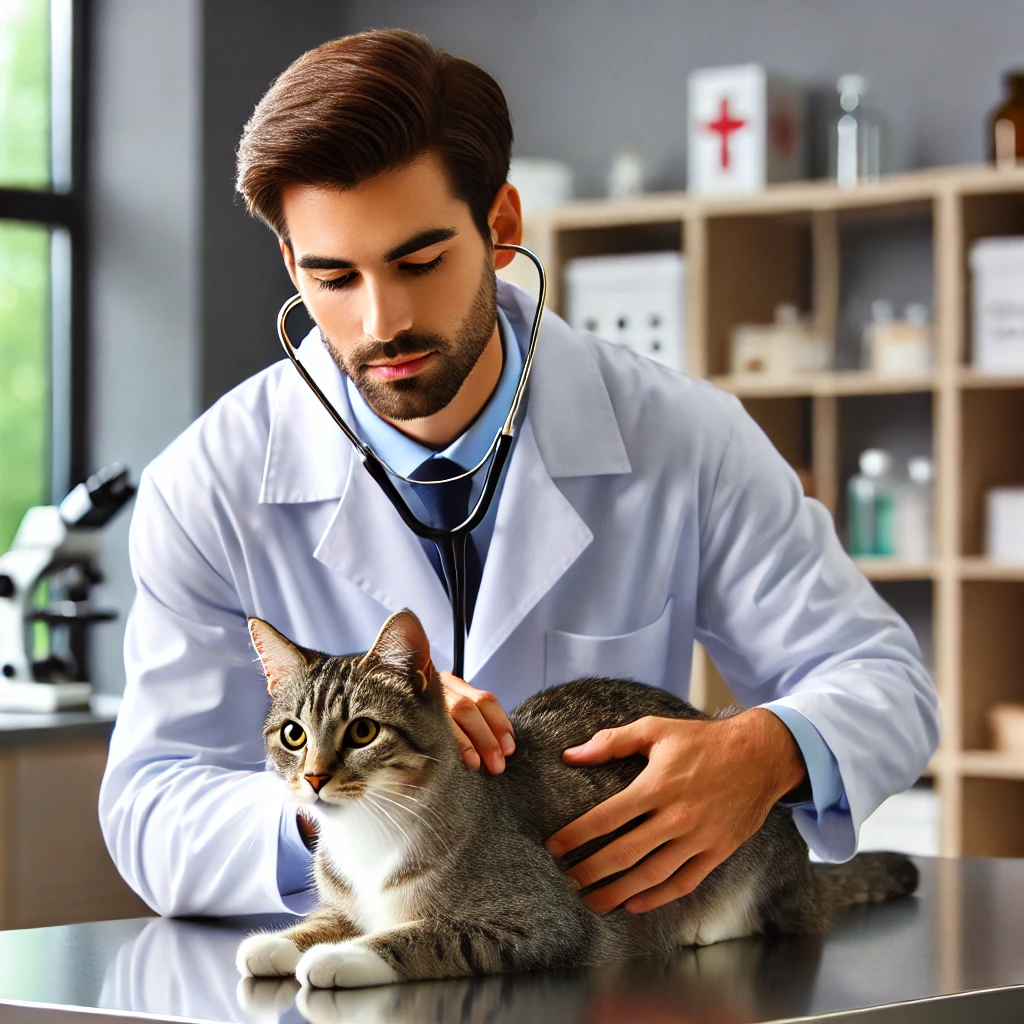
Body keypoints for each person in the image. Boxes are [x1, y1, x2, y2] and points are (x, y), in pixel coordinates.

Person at [98, 28, 939, 919]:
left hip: (613, 975)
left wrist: (770, 751)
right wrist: (352, 797)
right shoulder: (208, 484)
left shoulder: (684, 438)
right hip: (359, 983)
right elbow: (150, 806)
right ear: (289, 266)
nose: (383, 322)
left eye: (420, 261)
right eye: (334, 276)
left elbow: (885, 682)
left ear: (501, 228)